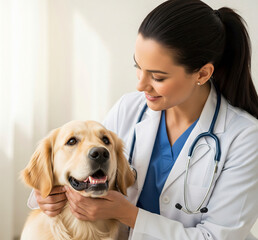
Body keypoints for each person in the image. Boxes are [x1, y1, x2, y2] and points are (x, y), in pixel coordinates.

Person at [28, 0, 258, 239]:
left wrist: (130, 215)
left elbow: (217, 236)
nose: (140, 84)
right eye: (138, 67)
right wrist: (45, 197)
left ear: (202, 73)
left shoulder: (244, 137)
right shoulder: (129, 108)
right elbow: (84, 169)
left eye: (157, 76)